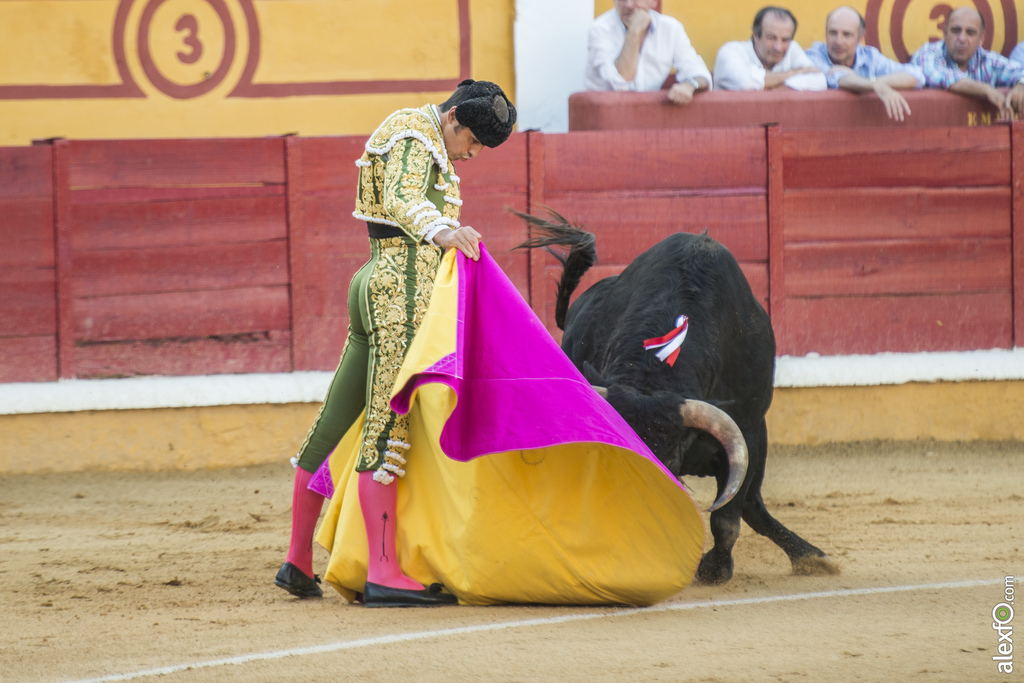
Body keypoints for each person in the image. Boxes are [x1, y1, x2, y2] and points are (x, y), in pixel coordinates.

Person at [275, 79, 516, 606]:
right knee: (388, 426)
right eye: (473, 141)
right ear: (453, 117)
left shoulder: (421, 135)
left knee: (335, 420)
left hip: (377, 278)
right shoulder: (415, 132)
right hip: (401, 287)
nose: (472, 154)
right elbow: (407, 198)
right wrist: (443, 231)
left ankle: (297, 560)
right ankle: (384, 571)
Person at [806, 6, 925, 121]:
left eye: (847, 35)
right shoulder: (813, 56)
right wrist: (873, 84)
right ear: (825, 34)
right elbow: (837, 78)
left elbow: (916, 74)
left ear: (860, 38)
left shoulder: (869, 56)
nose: (838, 41)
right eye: (832, 33)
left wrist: (875, 82)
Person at [583, 0, 712, 105]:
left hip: (647, 114)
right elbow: (620, 80)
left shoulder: (671, 29)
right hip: (605, 116)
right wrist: (634, 31)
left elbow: (699, 72)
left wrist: (690, 86)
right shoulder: (600, 29)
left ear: (654, 2)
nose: (628, 4)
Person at [911, 6, 1024, 120]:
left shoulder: (987, 60)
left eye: (970, 33)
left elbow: (1019, 71)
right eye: (955, 31)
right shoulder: (928, 53)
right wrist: (987, 90)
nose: (962, 38)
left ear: (981, 38)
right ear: (944, 34)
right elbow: (942, 76)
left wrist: (1020, 86)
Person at [713, 6, 826, 91]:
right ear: (756, 36)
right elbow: (745, 83)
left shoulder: (792, 48)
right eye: (771, 38)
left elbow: (820, 81)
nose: (778, 47)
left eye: (785, 39)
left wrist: (773, 86)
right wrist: (794, 73)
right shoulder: (731, 51)